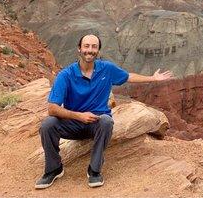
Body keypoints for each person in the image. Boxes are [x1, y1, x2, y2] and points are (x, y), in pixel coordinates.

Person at [35, 34, 174, 189]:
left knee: (107, 121)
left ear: (98, 51)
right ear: (79, 49)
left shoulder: (106, 69)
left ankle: (94, 170)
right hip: (73, 124)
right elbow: (52, 108)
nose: (90, 50)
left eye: (94, 47)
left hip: (96, 124)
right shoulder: (66, 75)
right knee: (48, 124)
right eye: (86, 46)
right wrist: (79, 116)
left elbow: (128, 76)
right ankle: (54, 169)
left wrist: (153, 78)